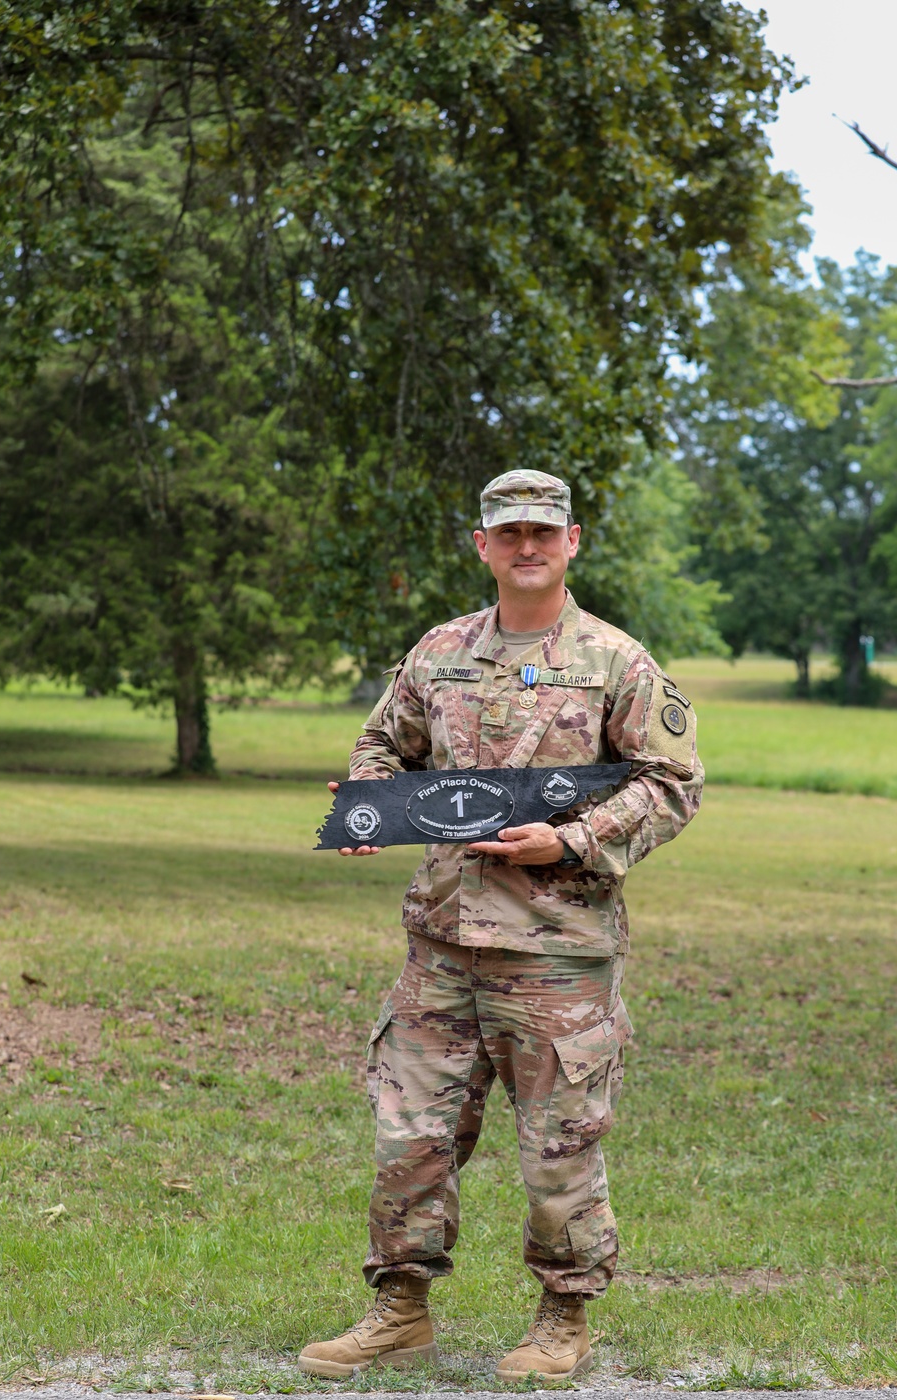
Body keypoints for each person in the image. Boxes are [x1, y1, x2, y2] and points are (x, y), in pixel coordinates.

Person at [299, 470, 704, 1382]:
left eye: (543, 532)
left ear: (572, 544)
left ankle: (563, 1319)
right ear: (481, 545)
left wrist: (567, 839)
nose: (527, 546)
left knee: (559, 1144)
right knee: (410, 1138)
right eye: (508, 531)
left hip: (557, 954)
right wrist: (372, 804)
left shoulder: (615, 662)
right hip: (440, 948)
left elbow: (673, 783)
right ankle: (400, 1309)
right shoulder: (438, 652)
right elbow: (381, 743)